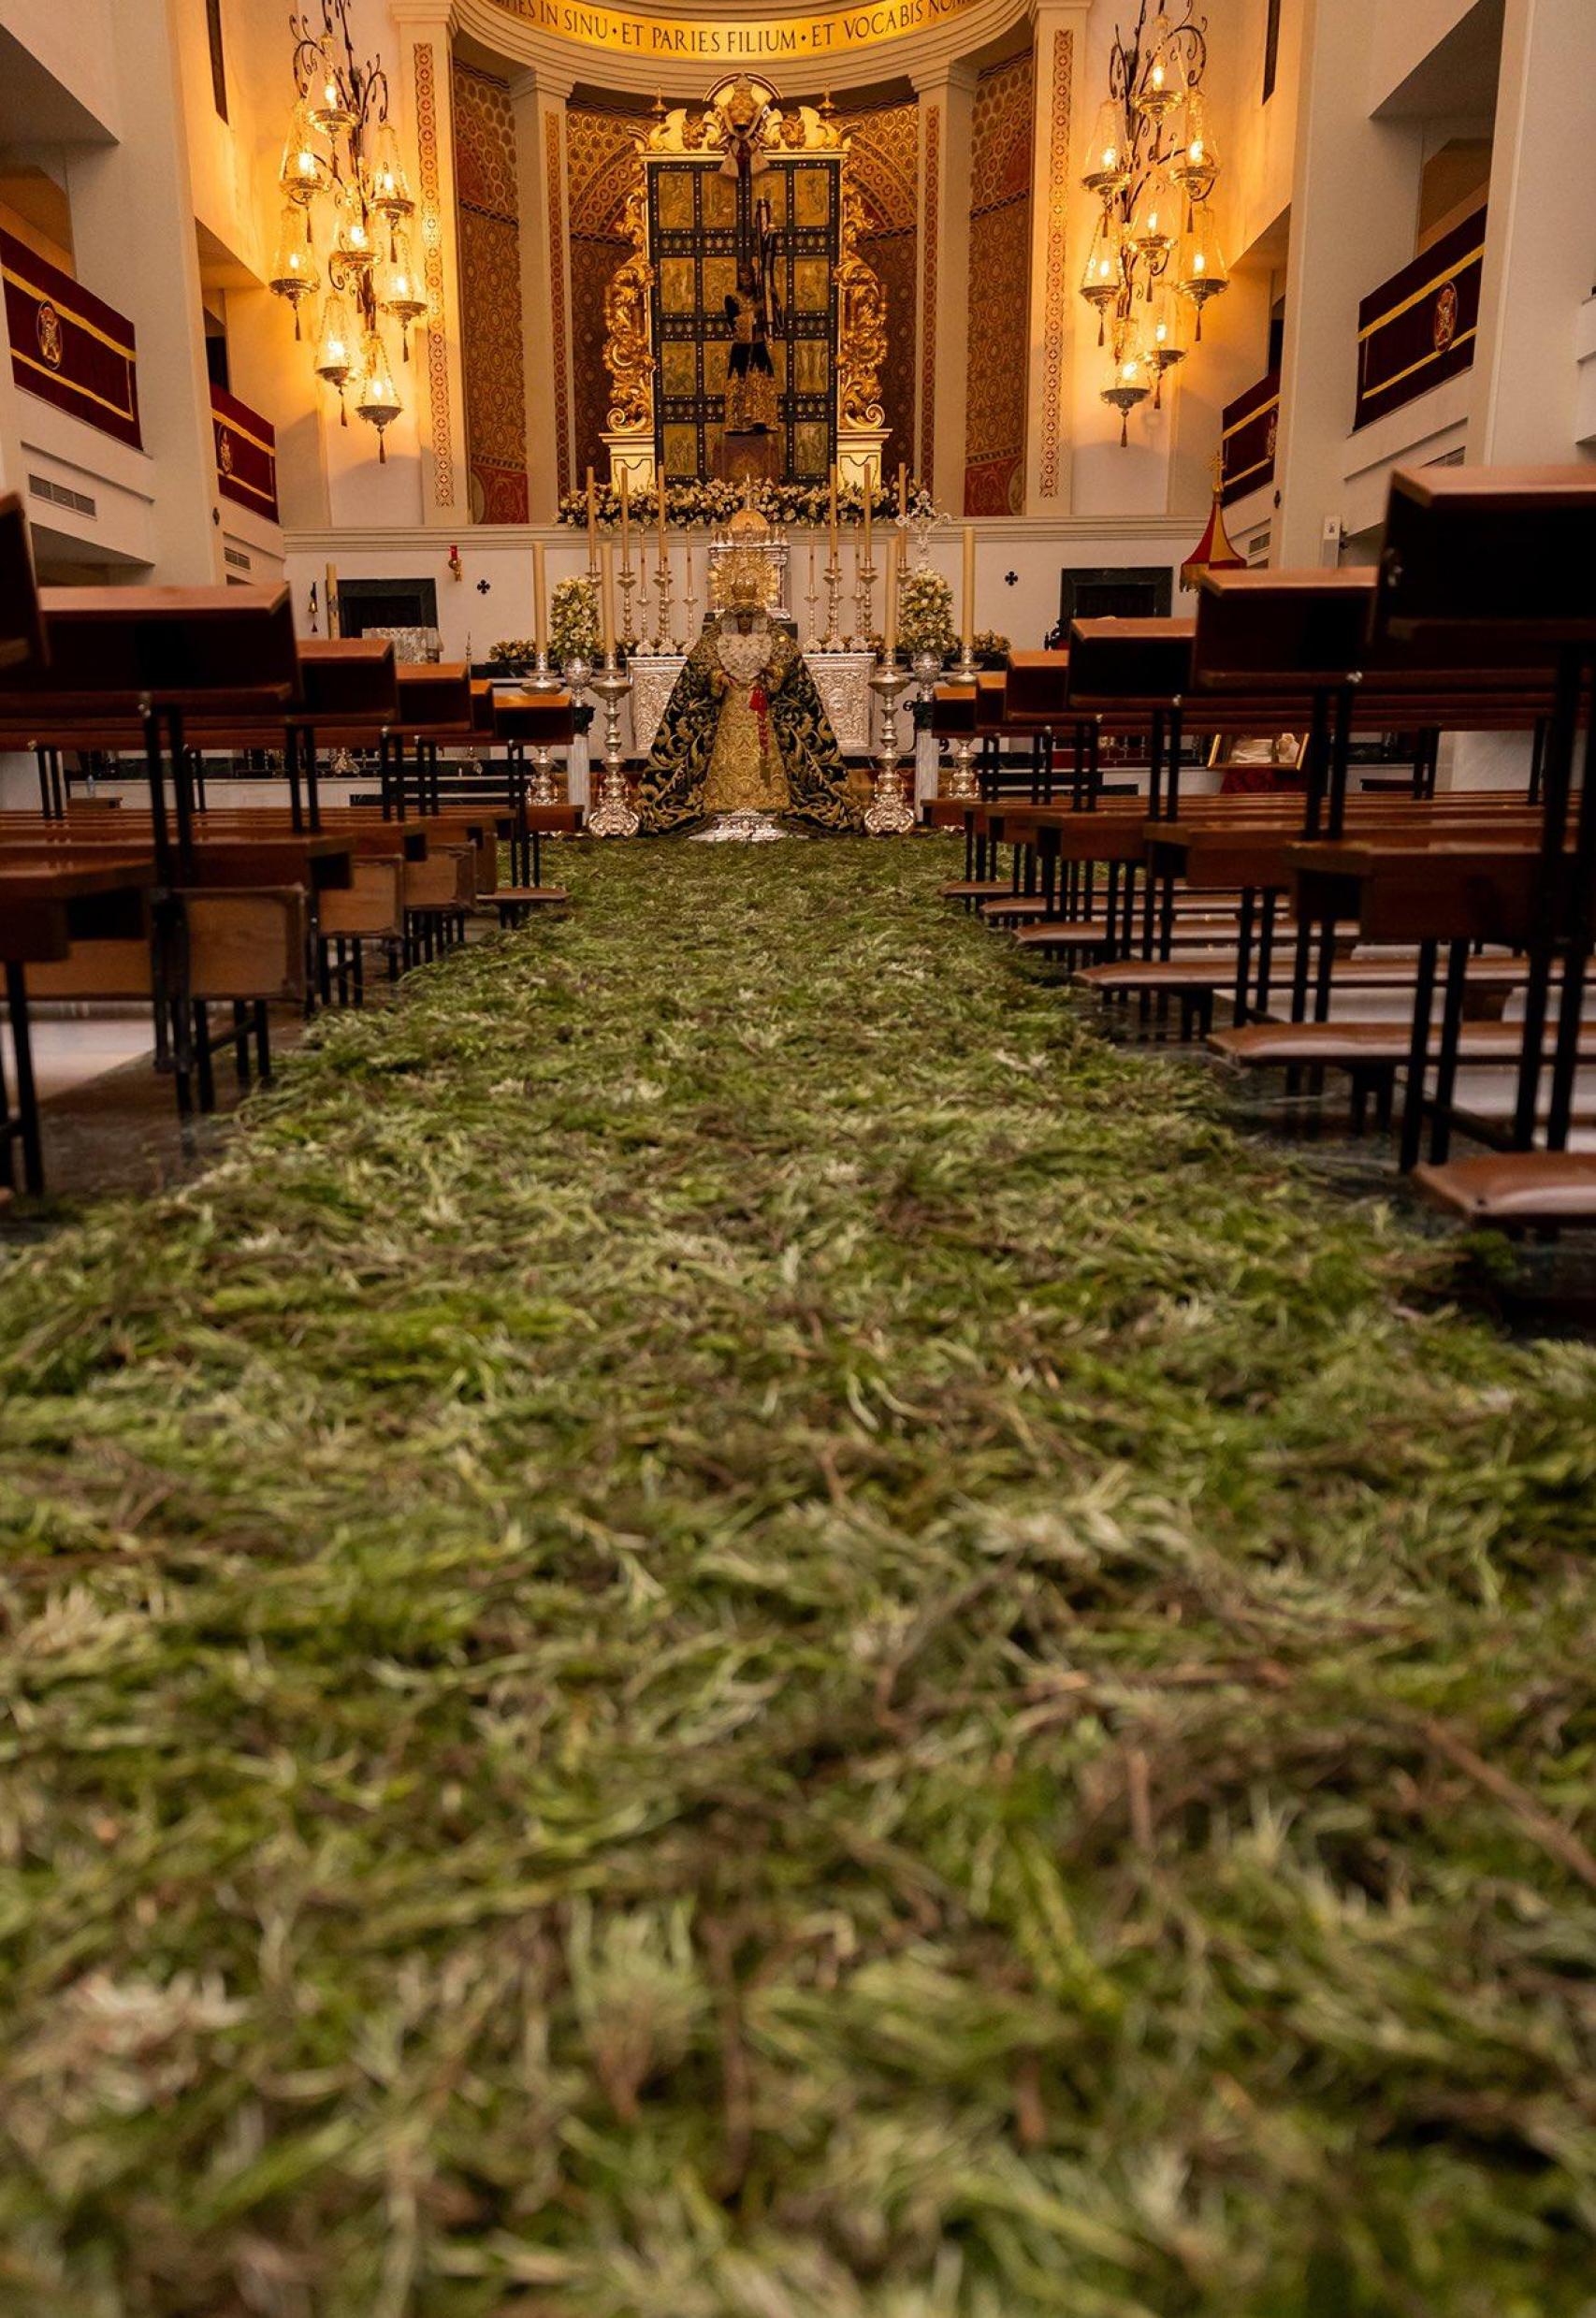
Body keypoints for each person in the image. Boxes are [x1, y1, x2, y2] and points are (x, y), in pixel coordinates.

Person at [637, 570, 859, 835]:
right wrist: (718, 676)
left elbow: (787, 660)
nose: (744, 621)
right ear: (732, 616)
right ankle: (723, 797)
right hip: (731, 707)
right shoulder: (717, 639)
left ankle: (769, 794)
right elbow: (701, 663)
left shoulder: (773, 638)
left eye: (748, 616)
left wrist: (773, 673)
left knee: (763, 745)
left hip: (759, 705)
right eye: (740, 616)